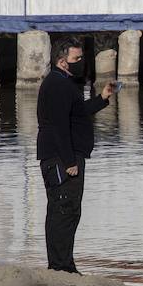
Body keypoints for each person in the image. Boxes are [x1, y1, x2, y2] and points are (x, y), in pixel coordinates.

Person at [35, 37, 115, 272]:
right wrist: (69, 161)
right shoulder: (57, 85)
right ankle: (59, 266)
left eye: (81, 57)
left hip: (66, 155)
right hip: (60, 158)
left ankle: (65, 263)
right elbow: (59, 125)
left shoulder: (64, 83)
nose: (81, 62)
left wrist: (103, 98)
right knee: (62, 210)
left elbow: (78, 112)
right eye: (76, 58)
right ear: (62, 61)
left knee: (71, 210)